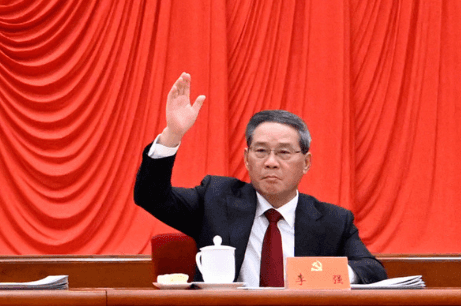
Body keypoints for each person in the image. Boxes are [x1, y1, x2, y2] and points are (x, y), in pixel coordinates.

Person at [133, 73, 386, 286]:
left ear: (306, 163)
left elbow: (372, 270)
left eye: (284, 152)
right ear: (247, 159)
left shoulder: (333, 221)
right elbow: (151, 196)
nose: (271, 162)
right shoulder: (215, 199)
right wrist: (173, 134)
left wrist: (321, 275)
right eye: (261, 151)